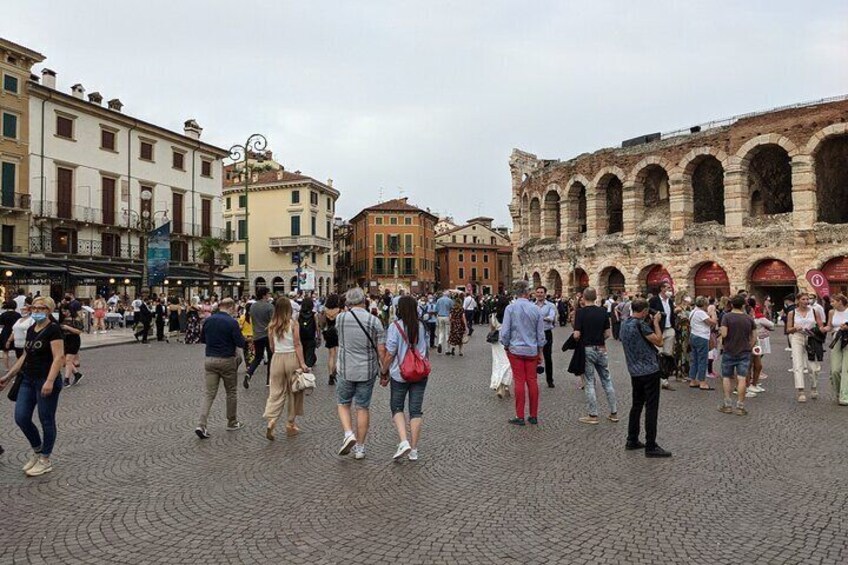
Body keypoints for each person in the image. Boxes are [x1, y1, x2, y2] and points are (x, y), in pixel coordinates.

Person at [0, 296, 66, 476]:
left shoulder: (54, 330)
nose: (36, 311)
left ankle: (45, 459)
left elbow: (59, 357)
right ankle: (37, 451)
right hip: (27, 380)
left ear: (49, 310)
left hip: (45, 380)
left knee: (46, 419)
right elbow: (24, 356)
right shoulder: (31, 329)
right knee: (21, 417)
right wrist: (8, 376)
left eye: (41, 308)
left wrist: (50, 381)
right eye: (34, 308)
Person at [335, 287, 386, 460]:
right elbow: (381, 349)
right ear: (364, 300)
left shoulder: (340, 319)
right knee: (362, 407)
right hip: (367, 370)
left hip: (345, 368)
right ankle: (360, 448)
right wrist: (384, 371)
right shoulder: (374, 321)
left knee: (343, 403)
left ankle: (348, 433)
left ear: (348, 302)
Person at [619, 299, 671, 457]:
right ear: (644, 311)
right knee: (651, 407)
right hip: (649, 370)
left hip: (634, 370)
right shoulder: (640, 324)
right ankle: (651, 445)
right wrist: (655, 323)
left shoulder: (624, 324)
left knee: (636, 405)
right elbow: (660, 341)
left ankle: (632, 439)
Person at [384, 295, 430, 461]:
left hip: (400, 373)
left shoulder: (395, 327)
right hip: (419, 372)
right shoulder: (421, 326)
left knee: (397, 407)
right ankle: (414, 449)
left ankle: (404, 441)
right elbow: (426, 348)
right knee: (416, 410)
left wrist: (384, 370)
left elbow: (390, 353)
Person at [195, 298, 245, 439]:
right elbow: (240, 342)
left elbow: (203, 339)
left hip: (210, 359)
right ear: (230, 307)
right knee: (231, 392)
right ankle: (232, 421)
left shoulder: (209, 320)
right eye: (234, 308)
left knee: (209, 394)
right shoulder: (232, 322)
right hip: (227, 360)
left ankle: (201, 424)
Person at [499, 280, 545, 426]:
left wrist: (506, 345)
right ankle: (533, 415)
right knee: (532, 381)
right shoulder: (536, 309)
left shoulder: (510, 309)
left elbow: (505, 332)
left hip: (515, 349)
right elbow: (540, 334)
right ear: (527, 292)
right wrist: (540, 350)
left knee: (519, 381)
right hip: (532, 350)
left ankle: (520, 416)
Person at [263, 297, 309, 440]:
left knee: (276, 392)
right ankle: (290, 423)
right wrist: (302, 363)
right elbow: (297, 344)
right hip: (291, 358)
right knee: (294, 391)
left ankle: (272, 421)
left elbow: (271, 346)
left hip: (277, 358)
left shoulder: (272, 325)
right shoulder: (293, 324)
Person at [572, 287, 618, 424]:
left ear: (584, 297)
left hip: (587, 349)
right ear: (595, 297)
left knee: (589, 382)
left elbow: (577, 334)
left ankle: (593, 415)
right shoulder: (603, 311)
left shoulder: (580, 313)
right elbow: (608, 333)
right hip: (601, 349)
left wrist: (576, 338)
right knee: (607, 380)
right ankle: (613, 413)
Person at [719, 295, 758, 415]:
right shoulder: (749, 318)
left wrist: (722, 338)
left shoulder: (727, 317)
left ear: (731, 305)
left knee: (726, 377)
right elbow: (754, 336)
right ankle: (740, 406)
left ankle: (727, 404)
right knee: (742, 378)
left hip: (729, 350)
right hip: (744, 351)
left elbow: (724, 334)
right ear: (743, 305)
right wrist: (750, 346)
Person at [786, 292, 825, 403]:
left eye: (807, 299)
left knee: (813, 366)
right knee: (797, 364)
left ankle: (813, 387)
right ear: (797, 301)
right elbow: (788, 329)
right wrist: (794, 328)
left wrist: (823, 329)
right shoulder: (792, 313)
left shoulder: (814, 311)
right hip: (797, 337)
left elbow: (820, 326)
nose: (806, 301)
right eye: (803, 299)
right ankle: (801, 391)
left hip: (811, 338)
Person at [649, 282, 678, 391]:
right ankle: (655, 378)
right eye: (667, 288)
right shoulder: (654, 300)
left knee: (667, 355)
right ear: (662, 289)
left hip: (669, 329)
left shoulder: (670, 301)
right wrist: (658, 313)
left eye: (670, 288)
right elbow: (648, 310)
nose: (669, 289)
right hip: (658, 330)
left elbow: (671, 314)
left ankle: (665, 381)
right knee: (657, 354)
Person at [244, 287, 273, 389]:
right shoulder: (269, 307)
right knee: (271, 358)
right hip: (268, 335)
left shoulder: (252, 307)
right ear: (265, 295)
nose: (269, 296)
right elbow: (272, 322)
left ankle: (249, 373)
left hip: (257, 335)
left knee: (257, 357)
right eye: (268, 294)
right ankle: (269, 380)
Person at [824, 294, 848, 406]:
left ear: (840, 301)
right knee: (835, 370)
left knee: (846, 369)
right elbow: (829, 326)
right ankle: (839, 391)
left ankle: (845, 395)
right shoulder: (831, 312)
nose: (831, 303)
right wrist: (822, 329)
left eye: (833, 301)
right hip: (837, 339)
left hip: (847, 339)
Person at [688, 296, 716, 390]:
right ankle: (702, 382)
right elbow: (712, 322)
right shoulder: (701, 313)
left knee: (694, 359)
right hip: (701, 337)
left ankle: (692, 379)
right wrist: (713, 313)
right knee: (702, 360)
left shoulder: (693, 311)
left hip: (693, 335)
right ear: (704, 304)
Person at [489, 295, 513, 398]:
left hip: (496, 341)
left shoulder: (493, 315)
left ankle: (498, 384)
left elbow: (492, 328)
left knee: (497, 362)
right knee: (508, 363)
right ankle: (505, 385)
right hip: (508, 339)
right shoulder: (510, 315)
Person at [535, 286, 557, 388]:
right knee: (533, 356)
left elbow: (551, 318)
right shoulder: (531, 305)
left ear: (545, 294)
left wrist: (540, 318)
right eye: (538, 292)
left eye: (541, 292)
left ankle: (550, 379)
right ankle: (533, 379)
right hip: (534, 334)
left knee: (548, 357)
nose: (539, 294)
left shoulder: (550, 305)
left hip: (546, 333)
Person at [58, 305, 84, 386]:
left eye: (65, 311)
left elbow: (79, 331)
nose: (64, 313)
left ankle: (66, 380)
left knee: (68, 360)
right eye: (63, 311)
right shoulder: (63, 319)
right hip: (65, 340)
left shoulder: (76, 319)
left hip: (74, 340)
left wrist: (67, 327)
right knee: (65, 360)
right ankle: (77, 374)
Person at [321, 293, 341, 385]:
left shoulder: (325, 310)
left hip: (329, 331)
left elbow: (322, 322)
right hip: (337, 331)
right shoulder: (339, 310)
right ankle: (335, 372)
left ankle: (330, 375)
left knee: (331, 355)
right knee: (337, 354)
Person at [0, 300, 21, 370]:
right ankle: (17, 367)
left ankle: (7, 368)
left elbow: (1, 324)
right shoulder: (18, 315)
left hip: (5, 333)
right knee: (17, 351)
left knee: (5, 351)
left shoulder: (3, 314)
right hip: (15, 332)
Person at [298, 297, 318, 368]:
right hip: (311, 337)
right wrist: (318, 337)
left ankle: (303, 366)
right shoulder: (314, 315)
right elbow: (317, 327)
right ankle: (308, 368)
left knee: (302, 352)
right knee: (310, 353)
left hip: (301, 337)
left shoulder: (298, 315)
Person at [238, 303, 254, 368]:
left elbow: (239, 326)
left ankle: (247, 365)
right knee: (251, 351)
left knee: (245, 351)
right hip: (252, 336)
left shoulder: (242, 317)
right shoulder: (254, 317)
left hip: (244, 336)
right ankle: (251, 364)